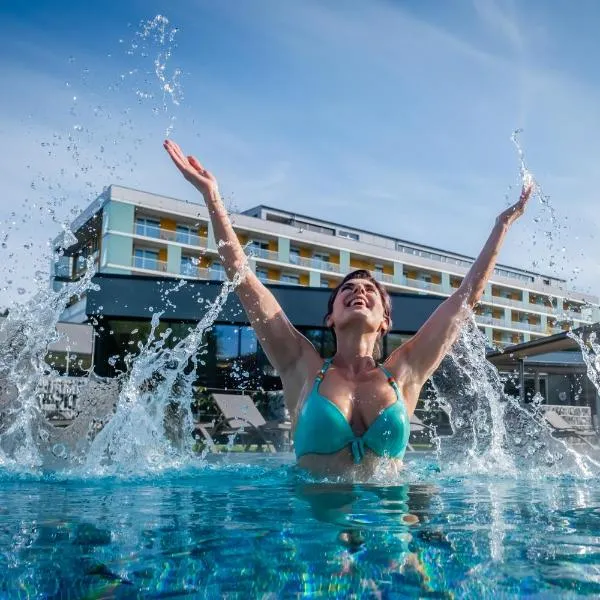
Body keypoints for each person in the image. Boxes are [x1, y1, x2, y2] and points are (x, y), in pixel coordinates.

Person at [164, 139, 532, 478]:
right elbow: (244, 281)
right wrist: (212, 196)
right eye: (348, 289)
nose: (358, 291)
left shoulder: (405, 370)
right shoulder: (301, 366)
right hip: (318, 536)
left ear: (385, 321)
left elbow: (465, 300)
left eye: (370, 290)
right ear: (331, 318)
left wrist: (501, 226)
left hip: (389, 529)